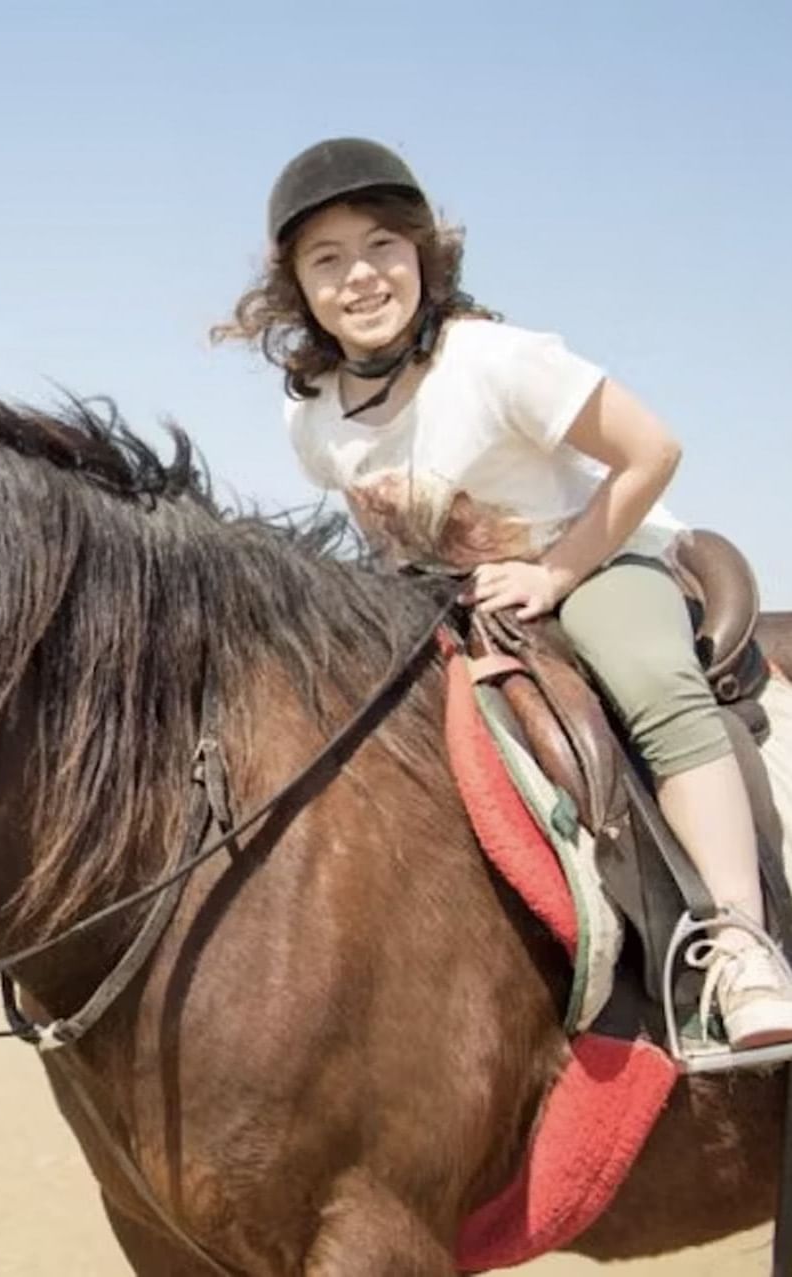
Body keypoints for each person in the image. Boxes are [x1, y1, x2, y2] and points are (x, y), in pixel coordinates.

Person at [216, 136, 792, 1050]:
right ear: (297, 288)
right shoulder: (312, 411)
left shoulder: (494, 360)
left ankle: (740, 944)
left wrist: (556, 571)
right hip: (453, 601)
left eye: (380, 248)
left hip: (592, 562)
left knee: (651, 684)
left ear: (421, 257)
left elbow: (653, 450)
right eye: (326, 260)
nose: (358, 277)